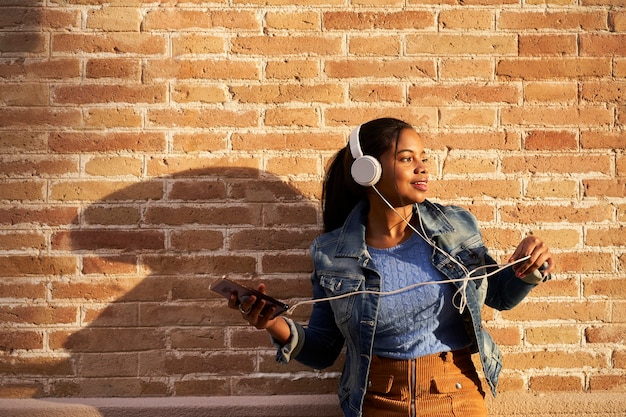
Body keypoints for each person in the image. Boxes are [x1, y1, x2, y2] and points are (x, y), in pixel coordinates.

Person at [228, 117, 554, 417]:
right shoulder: (331, 254)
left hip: (456, 396)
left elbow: (499, 295)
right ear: (367, 170)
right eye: (407, 158)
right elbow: (322, 350)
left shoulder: (456, 226)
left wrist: (531, 265)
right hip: (376, 401)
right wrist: (272, 324)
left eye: (423, 158)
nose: (422, 169)